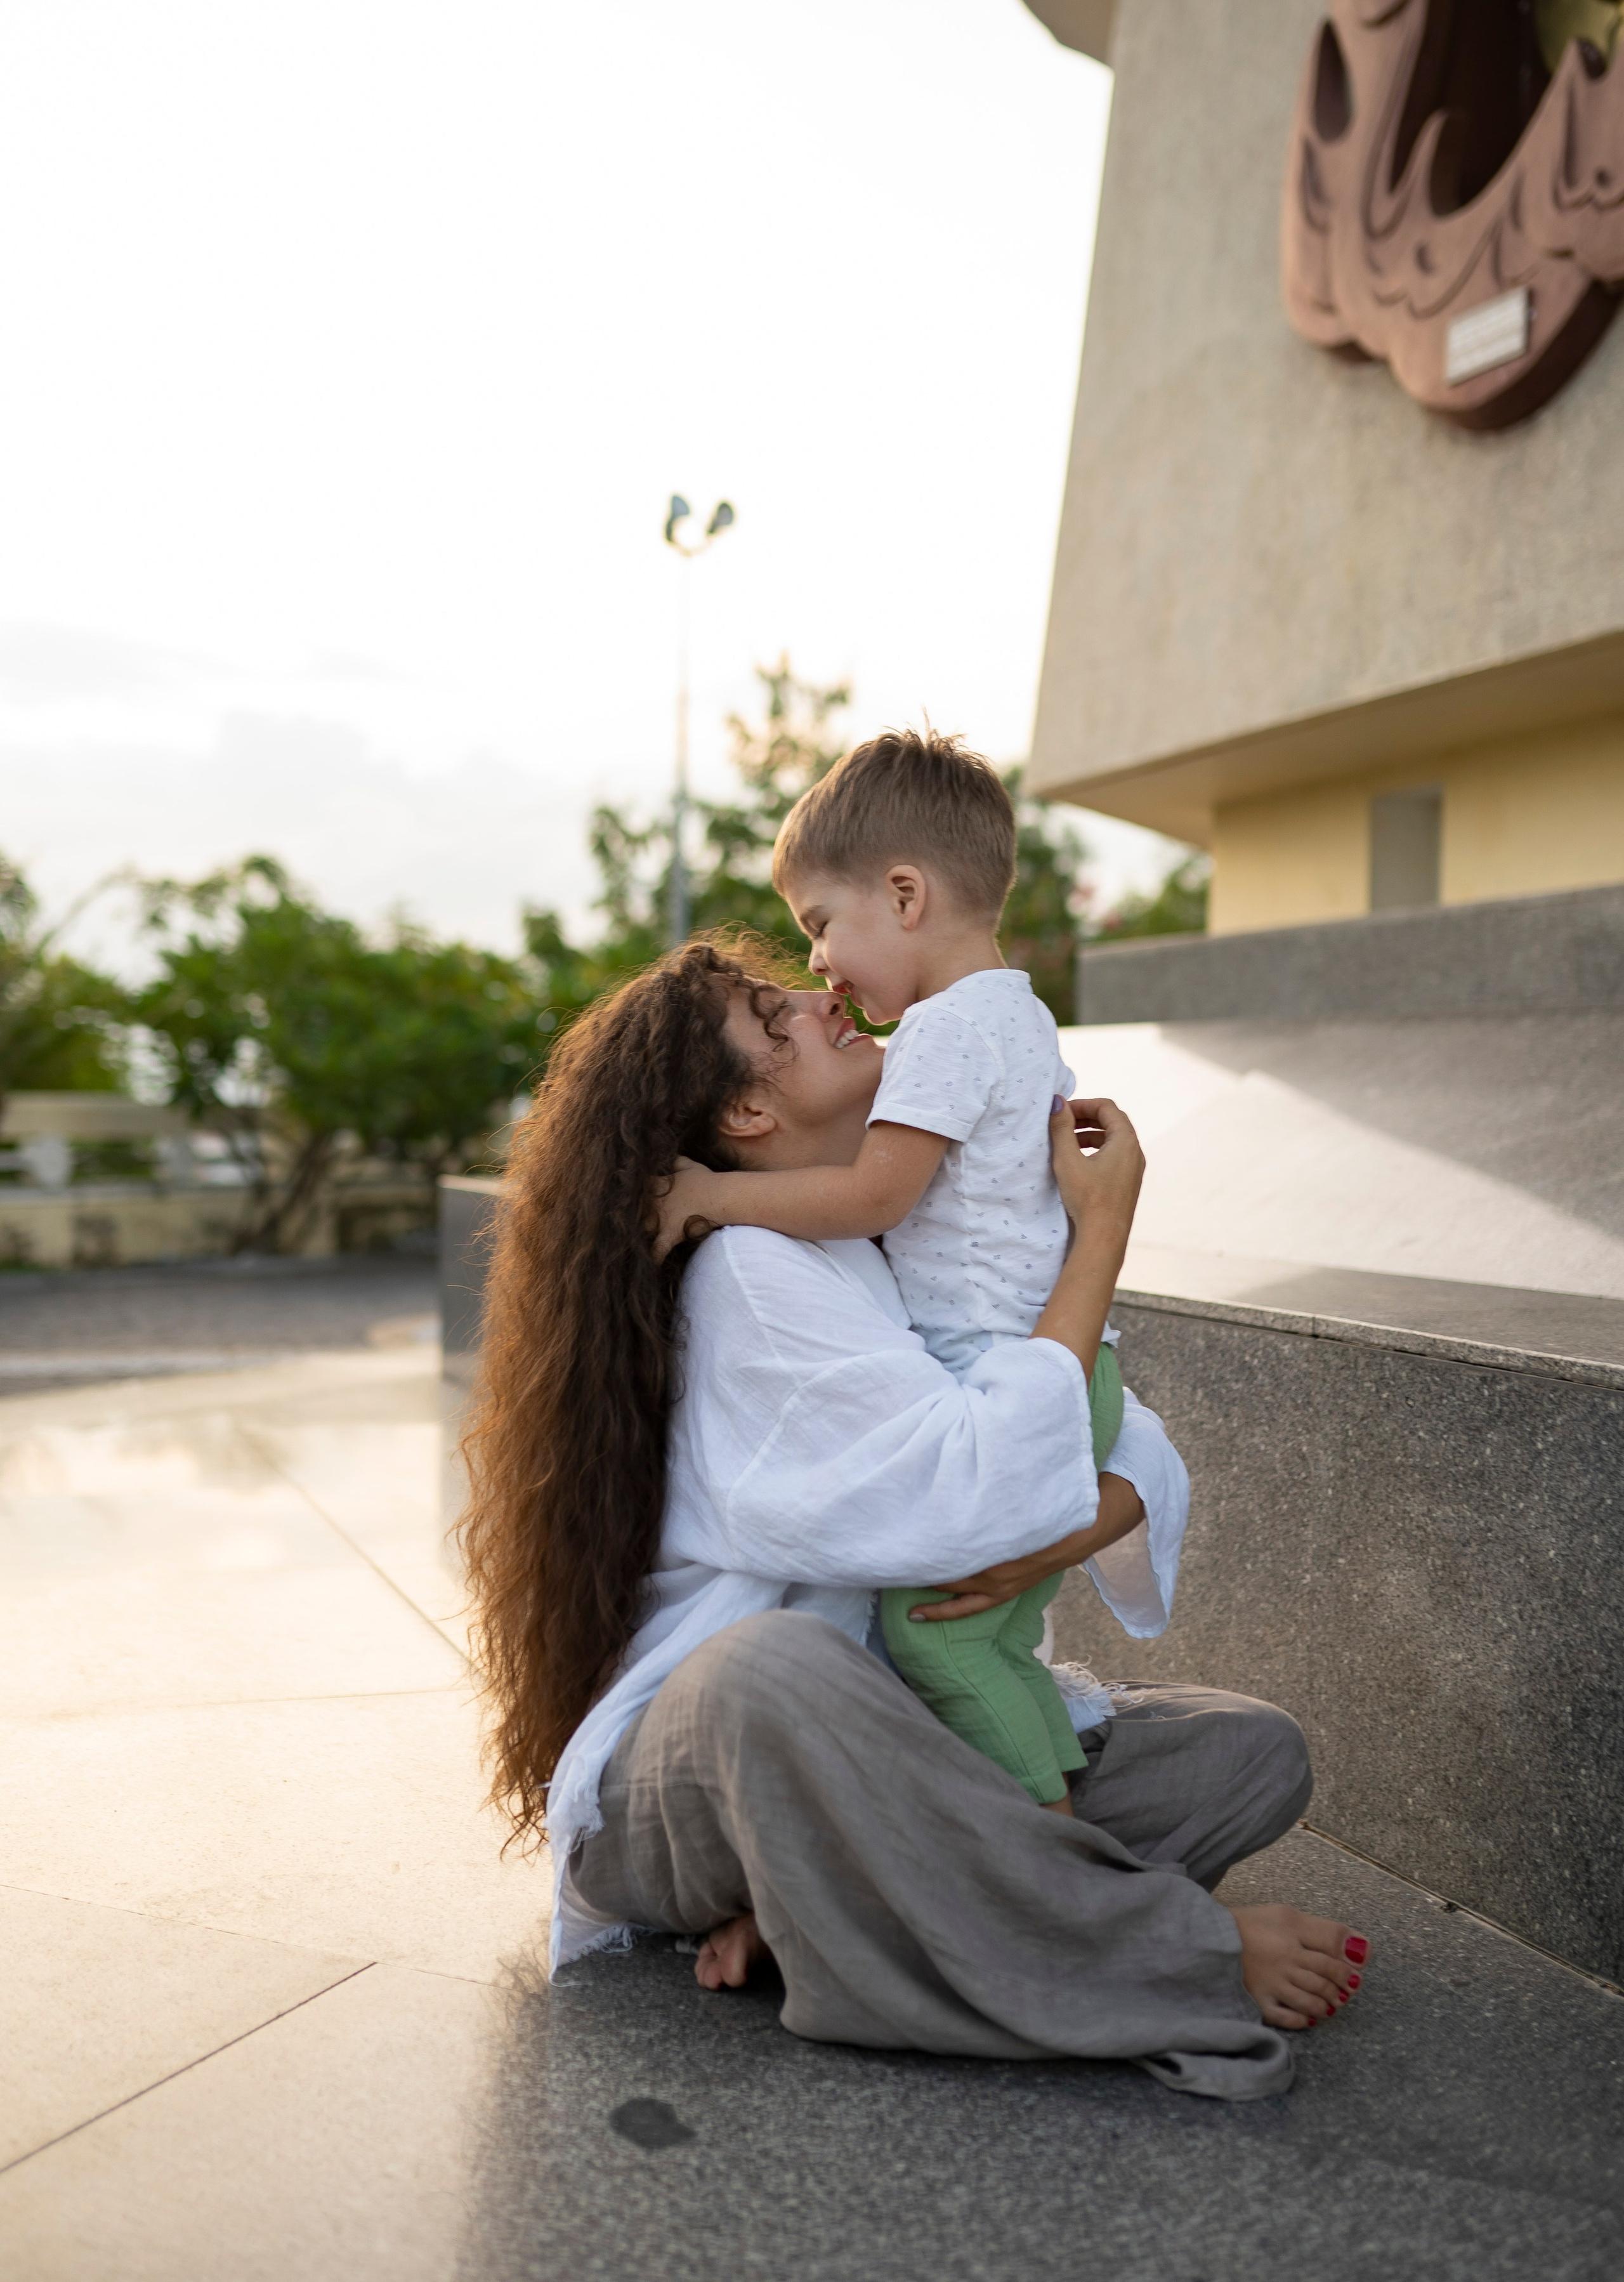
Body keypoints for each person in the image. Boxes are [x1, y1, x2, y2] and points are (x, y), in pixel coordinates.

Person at [459, 938, 1370, 2104]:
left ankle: (838, 1907)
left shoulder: (875, 1238)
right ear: (744, 1106)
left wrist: (1081, 1518)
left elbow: (1106, 1431)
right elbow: (973, 1489)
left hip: (882, 1743)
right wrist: (1101, 1237)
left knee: (1248, 1752)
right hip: (705, 1772)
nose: (818, 994)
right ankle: (1165, 1950)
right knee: (769, 1671)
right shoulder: (749, 1275)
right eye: (770, 1010)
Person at [655, 730, 1126, 1814]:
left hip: (1021, 1375)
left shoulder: (943, 1035)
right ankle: (1058, 1817)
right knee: (993, 1652)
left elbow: (875, 1196)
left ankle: (1054, 1855)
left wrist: (708, 1194)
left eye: (819, 926)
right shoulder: (1018, 1013)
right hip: (1063, 1371)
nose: (818, 967)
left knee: (944, 1650)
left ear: (905, 894)